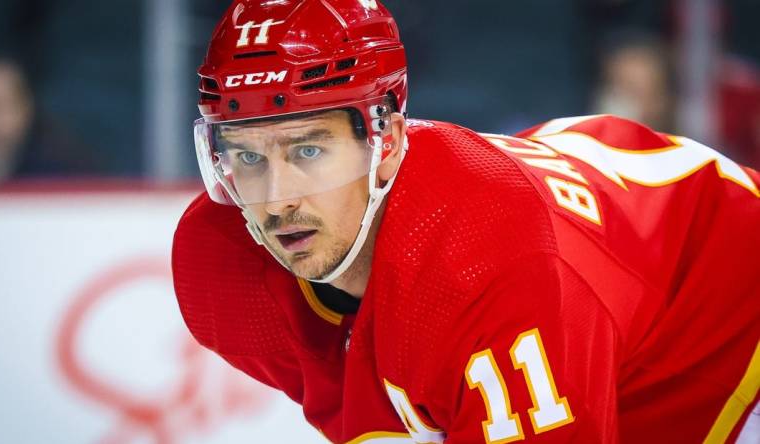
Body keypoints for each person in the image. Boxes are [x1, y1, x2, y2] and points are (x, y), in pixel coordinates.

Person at [172, 1, 759, 442]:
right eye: (248, 156)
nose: (276, 201)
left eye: (307, 152)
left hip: (729, 309)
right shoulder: (221, 262)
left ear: (389, 141)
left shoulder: (490, 266)